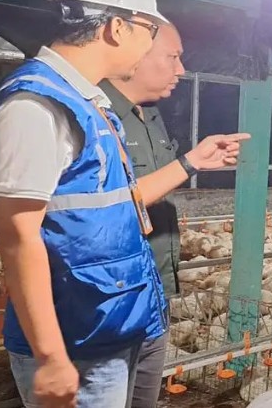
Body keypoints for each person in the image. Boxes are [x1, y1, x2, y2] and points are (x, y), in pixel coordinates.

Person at [0, 0, 249, 408]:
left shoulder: (89, 103)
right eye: (150, 31)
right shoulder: (37, 106)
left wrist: (191, 162)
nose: (151, 46)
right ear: (117, 27)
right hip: (77, 340)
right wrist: (50, 356)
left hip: (112, 323)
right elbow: (16, 233)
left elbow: (117, 205)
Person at [99, 23, 187, 408]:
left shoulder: (150, 115)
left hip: (155, 290)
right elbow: (110, 206)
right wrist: (191, 163)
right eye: (173, 57)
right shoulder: (94, 113)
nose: (181, 69)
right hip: (110, 298)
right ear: (136, 54)